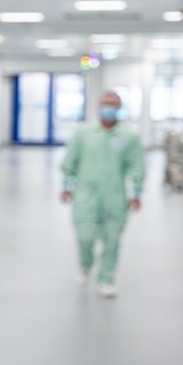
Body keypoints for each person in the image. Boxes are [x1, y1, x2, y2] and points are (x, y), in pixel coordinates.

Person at [60, 91, 145, 298]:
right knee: (85, 237)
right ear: (98, 107)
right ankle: (85, 263)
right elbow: (70, 162)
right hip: (85, 195)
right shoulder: (84, 134)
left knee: (112, 241)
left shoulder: (129, 137)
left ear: (119, 108)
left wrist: (136, 193)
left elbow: (136, 166)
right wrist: (67, 186)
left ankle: (106, 279)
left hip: (115, 197)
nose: (109, 108)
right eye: (105, 104)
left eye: (113, 104)